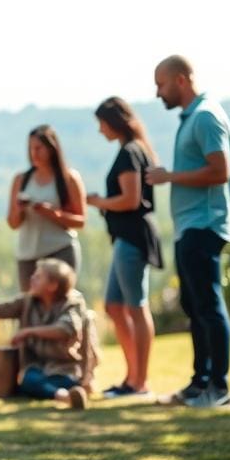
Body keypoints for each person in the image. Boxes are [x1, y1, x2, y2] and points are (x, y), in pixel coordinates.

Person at [146, 55, 230, 408]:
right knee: (194, 305)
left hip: (205, 223)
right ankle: (200, 384)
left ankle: (220, 389)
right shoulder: (193, 117)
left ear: (181, 80)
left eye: (161, 84)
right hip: (189, 225)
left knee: (209, 305)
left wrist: (170, 177)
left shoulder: (205, 117)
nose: (157, 93)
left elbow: (219, 172)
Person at [86, 97, 164, 398]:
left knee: (136, 306)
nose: (100, 130)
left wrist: (98, 203)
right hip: (124, 238)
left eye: (101, 124)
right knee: (115, 306)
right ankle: (132, 376)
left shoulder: (131, 152)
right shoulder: (131, 150)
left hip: (133, 238)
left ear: (113, 121)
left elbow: (130, 200)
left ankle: (139, 382)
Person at [0, 259, 92, 410]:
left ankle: (63, 392)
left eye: (38, 277)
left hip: (65, 369)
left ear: (52, 285)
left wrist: (28, 332)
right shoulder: (27, 301)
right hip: (38, 367)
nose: (32, 278)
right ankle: (65, 396)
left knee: (50, 383)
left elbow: (64, 330)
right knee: (30, 379)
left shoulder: (72, 303)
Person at [7, 125, 86, 291]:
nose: (33, 153)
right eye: (30, 148)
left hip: (60, 251)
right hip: (28, 254)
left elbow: (81, 221)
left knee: (60, 306)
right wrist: (20, 209)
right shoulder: (21, 180)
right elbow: (13, 223)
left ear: (52, 148)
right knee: (29, 308)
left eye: (38, 148)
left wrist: (51, 213)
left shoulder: (69, 179)